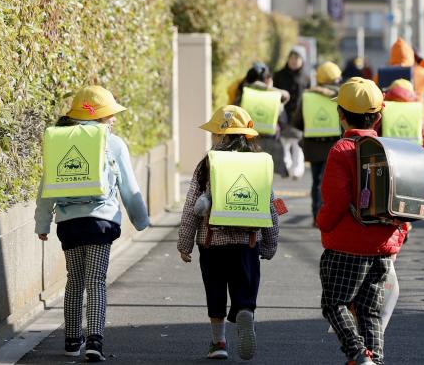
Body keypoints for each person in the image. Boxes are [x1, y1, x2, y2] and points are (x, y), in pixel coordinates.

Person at [34, 85, 150, 361]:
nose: (114, 119)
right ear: (99, 116)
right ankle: (94, 341)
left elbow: (46, 186)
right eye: (109, 114)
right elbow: (128, 186)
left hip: (69, 223)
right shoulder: (114, 142)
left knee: (74, 281)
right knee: (95, 281)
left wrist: (42, 223)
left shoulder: (60, 141)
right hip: (102, 222)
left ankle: (72, 340)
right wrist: (141, 220)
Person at [177, 105, 280, 361]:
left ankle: (219, 341)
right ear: (247, 135)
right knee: (244, 288)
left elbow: (192, 204)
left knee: (215, 290)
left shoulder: (207, 165)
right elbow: (272, 205)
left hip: (212, 243)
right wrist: (270, 244)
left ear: (219, 137)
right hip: (247, 241)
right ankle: (245, 311)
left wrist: (184, 243)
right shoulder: (259, 163)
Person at [317, 77, 407, 365]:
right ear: (378, 117)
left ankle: (357, 352)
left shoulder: (341, 150)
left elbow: (336, 201)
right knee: (370, 310)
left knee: (335, 303)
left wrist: (324, 224)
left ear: (341, 115)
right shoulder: (390, 149)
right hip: (382, 247)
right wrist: (398, 236)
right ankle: (374, 359)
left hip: (346, 246)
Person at [293, 61, 343, 226]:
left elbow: (298, 121)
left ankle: (316, 215)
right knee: (332, 182)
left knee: (317, 181)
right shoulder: (341, 97)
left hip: (313, 146)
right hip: (335, 146)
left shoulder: (307, 96)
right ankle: (329, 215)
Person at [376, 38, 424, 146]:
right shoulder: (419, 73)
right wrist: (422, 59)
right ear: (411, 55)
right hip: (417, 131)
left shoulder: (381, 76)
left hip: (388, 132)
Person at [234, 62, 291, 177]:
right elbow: (285, 99)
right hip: (268, 141)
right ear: (267, 79)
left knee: (248, 175)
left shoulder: (243, 93)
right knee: (265, 177)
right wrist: (268, 87)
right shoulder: (273, 95)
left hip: (247, 140)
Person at [273, 48, 311, 180]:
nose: (294, 61)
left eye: (297, 58)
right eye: (292, 58)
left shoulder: (306, 77)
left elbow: (309, 96)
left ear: (302, 61)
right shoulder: (278, 75)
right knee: (284, 143)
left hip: (300, 114)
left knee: (297, 144)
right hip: (282, 114)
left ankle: (297, 171)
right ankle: (287, 167)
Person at [380, 78, 424, 150]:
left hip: (389, 154)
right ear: (411, 93)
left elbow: (376, 132)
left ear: (391, 91)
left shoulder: (384, 107)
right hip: (413, 153)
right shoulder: (417, 109)